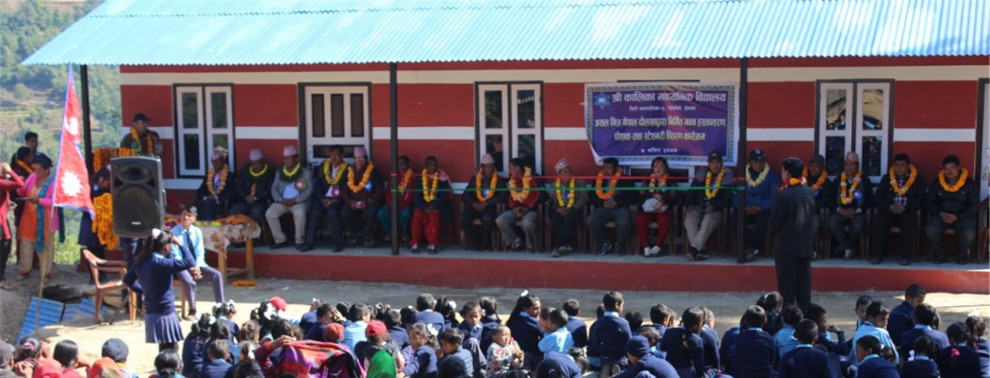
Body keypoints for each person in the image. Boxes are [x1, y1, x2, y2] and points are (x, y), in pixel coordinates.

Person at [123, 228, 197, 351]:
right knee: (171, 349)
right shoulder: (162, 264)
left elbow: (128, 280)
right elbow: (190, 261)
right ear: (167, 247)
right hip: (166, 312)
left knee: (163, 349)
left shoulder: (140, 262)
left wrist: (143, 291)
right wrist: (180, 244)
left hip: (151, 312)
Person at [768, 157, 816, 309]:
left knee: (787, 292)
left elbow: (775, 222)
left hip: (786, 248)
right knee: (804, 291)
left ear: (787, 173)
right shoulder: (809, 192)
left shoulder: (783, 195)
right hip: (805, 246)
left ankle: (788, 322)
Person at [170, 206, 225, 320]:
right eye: (183, 214)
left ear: (194, 219)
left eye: (189, 215)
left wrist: (197, 266)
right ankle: (192, 309)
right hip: (181, 266)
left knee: (217, 275)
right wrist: (190, 268)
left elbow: (200, 252)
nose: (185, 217)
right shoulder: (174, 232)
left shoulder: (197, 232)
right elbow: (176, 255)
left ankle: (221, 307)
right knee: (189, 281)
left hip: (196, 265)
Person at [870, 153, 926, 265]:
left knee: (910, 222)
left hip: (906, 210)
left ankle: (906, 256)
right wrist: (889, 206)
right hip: (890, 210)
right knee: (879, 219)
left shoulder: (917, 180)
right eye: (897, 165)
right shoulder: (887, 178)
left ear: (908, 166)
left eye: (902, 165)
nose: (899, 168)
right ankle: (877, 254)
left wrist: (905, 208)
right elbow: (878, 197)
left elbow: (921, 199)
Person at [924, 154, 979, 264]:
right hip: (941, 215)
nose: (949, 171)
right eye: (946, 168)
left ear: (959, 168)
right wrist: (940, 213)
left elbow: (974, 205)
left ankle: (960, 255)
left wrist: (958, 216)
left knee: (969, 233)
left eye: (952, 168)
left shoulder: (969, 183)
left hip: (962, 217)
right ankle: (941, 254)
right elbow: (928, 202)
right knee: (930, 230)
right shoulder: (937, 182)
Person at [684, 151, 735, 261]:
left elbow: (728, 198)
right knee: (689, 219)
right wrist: (690, 204)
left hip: (715, 210)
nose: (715, 165)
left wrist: (714, 206)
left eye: (718, 162)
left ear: (721, 163)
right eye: (712, 163)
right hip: (699, 206)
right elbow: (692, 192)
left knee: (708, 220)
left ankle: (694, 249)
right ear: (708, 164)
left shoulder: (727, 176)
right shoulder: (701, 174)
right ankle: (700, 250)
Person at [16, 154, 58, 281]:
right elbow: (22, 191)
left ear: (46, 170)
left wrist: (39, 201)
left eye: (39, 170)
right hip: (29, 216)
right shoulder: (32, 177)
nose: (36, 172)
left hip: (45, 219)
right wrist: (20, 182)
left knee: (45, 247)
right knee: (26, 244)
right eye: (34, 169)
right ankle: (24, 270)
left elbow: (55, 202)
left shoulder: (52, 183)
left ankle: (45, 273)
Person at [827, 151, 874, 259]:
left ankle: (842, 246)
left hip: (857, 212)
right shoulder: (838, 180)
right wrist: (840, 210)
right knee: (832, 223)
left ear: (857, 165)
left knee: (858, 225)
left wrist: (856, 211)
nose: (849, 167)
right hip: (840, 211)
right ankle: (848, 247)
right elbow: (831, 199)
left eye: (852, 164)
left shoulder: (864, 180)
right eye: (847, 164)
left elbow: (869, 200)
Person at [586, 157, 637, 256]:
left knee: (624, 222)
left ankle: (620, 246)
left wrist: (618, 203)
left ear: (616, 168)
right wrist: (602, 203)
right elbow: (591, 196)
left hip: (620, 207)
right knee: (591, 220)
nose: (606, 171)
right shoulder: (599, 178)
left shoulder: (624, 179)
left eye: (609, 168)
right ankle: (603, 244)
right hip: (603, 207)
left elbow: (633, 196)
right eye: (605, 168)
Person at [266, 145, 312, 251]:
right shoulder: (280, 171)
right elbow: (274, 189)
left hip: (299, 202)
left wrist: (295, 200)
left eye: (289, 158)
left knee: (300, 213)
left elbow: (309, 190)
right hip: (282, 201)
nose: (286, 161)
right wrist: (280, 200)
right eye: (285, 159)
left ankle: (299, 241)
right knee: (270, 213)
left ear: (296, 159)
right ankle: (280, 240)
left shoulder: (305, 172)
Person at [738, 149, 781, 261]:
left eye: (760, 161)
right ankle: (748, 248)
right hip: (746, 208)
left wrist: (761, 207)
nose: (758, 164)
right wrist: (744, 207)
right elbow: (736, 195)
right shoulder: (743, 175)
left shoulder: (773, 176)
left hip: (763, 209)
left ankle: (749, 249)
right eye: (755, 161)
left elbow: (775, 197)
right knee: (735, 220)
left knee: (762, 223)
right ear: (750, 163)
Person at [303, 145, 346, 252]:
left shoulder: (347, 169)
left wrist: (336, 200)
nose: (333, 157)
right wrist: (322, 199)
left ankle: (338, 243)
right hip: (323, 198)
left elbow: (347, 188)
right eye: (331, 154)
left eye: (336, 154)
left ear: (342, 155)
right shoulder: (324, 166)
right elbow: (317, 185)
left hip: (338, 199)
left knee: (332, 212)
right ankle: (309, 243)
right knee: (315, 212)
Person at [636, 157, 680, 258]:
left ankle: (658, 246)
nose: (658, 169)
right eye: (655, 166)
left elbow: (674, 196)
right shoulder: (647, 179)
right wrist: (653, 196)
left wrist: (663, 200)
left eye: (661, 166)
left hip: (663, 209)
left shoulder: (671, 180)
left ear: (666, 168)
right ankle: (646, 247)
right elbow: (641, 194)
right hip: (649, 209)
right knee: (641, 219)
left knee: (664, 219)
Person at [341, 146, 385, 247]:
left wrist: (368, 201)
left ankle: (367, 235)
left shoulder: (374, 171)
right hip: (353, 201)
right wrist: (350, 202)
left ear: (366, 159)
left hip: (369, 202)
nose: (359, 162)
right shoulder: (349, 171)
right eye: (357, 160)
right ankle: (353, 233)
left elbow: (380, 191)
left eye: (362, 159)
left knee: (372, 212)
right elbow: (343, 190)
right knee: (345, 212)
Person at [496, 158, 542, 253]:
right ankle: (515, 241)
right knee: (500, 220)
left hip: (530, 209)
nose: (509, 171)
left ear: (518, 168)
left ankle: (530, 244)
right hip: (516, 209)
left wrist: (527, 207)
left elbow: (539, 196)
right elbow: (510, 197)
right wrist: (513, 208)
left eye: (510, 168)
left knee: (527, 223)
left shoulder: (531, 178)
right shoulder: (512, 181)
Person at [460, 154, 503, 251]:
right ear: (482, 167)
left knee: (487, 219)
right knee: (463, 218)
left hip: (490, 207)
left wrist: (487, 203)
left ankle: (486, 243)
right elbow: (466, 195)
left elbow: (502, 196)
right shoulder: (475, 179)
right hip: (476, 207)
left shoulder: (498, 180)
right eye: (488, 166)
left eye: (492, 165)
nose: (491, 168)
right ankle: (476, 242)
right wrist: (474, 203)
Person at [547, 158, 588, 258]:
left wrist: (571, 208)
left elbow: (584, 198)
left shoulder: (579, 182)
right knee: (557, 218)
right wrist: (559, 209)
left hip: (574, 211)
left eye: (569, 171)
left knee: (569, 219)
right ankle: (563, 244)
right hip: (560, 210)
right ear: (559, 174)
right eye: (565, 172)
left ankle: (557, 246)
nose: (569, 174)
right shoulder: (554, 185)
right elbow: (552, 201)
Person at [410, 157, 451, 255]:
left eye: (435, 164)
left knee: (434, 215)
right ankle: (414, 243)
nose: (433, 167)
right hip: (423, 206)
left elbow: (443, 196)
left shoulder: (442, 178)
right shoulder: (421, 178)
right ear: (426, 167)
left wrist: (433, 206)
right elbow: (416, 197)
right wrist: (424, 207)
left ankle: (432, 244)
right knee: (417, 214)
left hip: (437, 206)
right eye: (431, 165)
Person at [230, 149, 275, 227]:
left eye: (257, 164)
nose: (255, 166)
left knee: (256, 213)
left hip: (260, 202)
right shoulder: (246, 170)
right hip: (245, 201)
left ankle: (255, 235)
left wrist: (256, 197)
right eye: (253, 164)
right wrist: (245, 196)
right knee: (234, 211)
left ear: (262, 162)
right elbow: (238, 187)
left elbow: (269, 189)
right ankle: (240, 234)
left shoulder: (269, 172)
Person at [729, 306, 776, 378]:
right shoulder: (769, 339)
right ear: (765, 320)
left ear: (746, 320)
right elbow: (773, 360)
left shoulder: (740, 338)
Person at [659, 307, 705, 378]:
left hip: (669, 371)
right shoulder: (697, 340)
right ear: (696, 325)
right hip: (688, 373)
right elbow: (699, 364)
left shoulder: (669, 332)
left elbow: (662, 347)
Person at [0, 159, 25, 290]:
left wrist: (7, 204)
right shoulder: (1, 183)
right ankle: (0, 279)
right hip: (0, 222)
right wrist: (11, 171)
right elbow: (20, 184)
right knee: (4, 248)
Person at [378, 156, 414, 244]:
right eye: (398, 164)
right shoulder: (394, 177)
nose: (400, 166)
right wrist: (391, 205)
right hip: (392, 206)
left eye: (403, 164)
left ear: (408, 165)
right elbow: (388, 193)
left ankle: (404, 233)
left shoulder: (412, 178)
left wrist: (400, 206)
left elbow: (411, 196)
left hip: (404, 205)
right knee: (381, 213)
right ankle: (391, 233)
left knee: (407, 213)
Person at [196, 147, 235, 221]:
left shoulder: (230, 176)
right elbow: (200, 191)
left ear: (223, 161)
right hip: (208, 203)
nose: (215, 165)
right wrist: (206, 197)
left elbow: (231, 193)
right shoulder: (209, 175)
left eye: (217, 162)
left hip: (221, 204)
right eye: (213, 163)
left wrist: (216, 198)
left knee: (208, 205)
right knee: (206, 204)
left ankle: (208, 224)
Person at [612, 336, 678, 378]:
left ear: (632, 354)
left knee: (643, 375)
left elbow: (625, 375)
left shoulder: (643, 363)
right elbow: (629, 371)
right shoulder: (652, 358)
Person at [506, 292, 543, 365]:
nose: (539, 311)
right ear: (525, 308)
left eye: (539, 308)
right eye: (535, 309)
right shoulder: (534, 322)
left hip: (514, 356)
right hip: (531, 357)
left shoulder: (514, 318)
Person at [803, 154, 834, 238]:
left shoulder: (826, 183)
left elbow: (825, 200)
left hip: (816, 212)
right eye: (812, 166)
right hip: (801, 211)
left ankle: (810, 247)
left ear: (822, 168)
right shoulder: (803, 179)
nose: (813, 169)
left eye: (817, 166)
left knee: (814, 224)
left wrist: (812, 208)